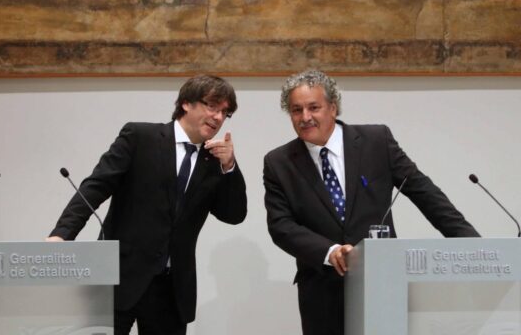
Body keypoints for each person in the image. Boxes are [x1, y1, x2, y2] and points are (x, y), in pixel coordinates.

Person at [263, 69, 479, 335]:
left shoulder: (376, 141)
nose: (305, 117)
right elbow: (281, 226)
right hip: (322, 288)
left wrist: (471, 244)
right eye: (296, 110)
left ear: (333, 107)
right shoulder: (279, 162)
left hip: (383, 281)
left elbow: (425, 193)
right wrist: (329, 251)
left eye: (313, 107)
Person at [47, 74, 247, 335]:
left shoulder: (213, 161)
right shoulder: (140, 137)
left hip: (171, 289)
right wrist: (63, 234)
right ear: (186, 103)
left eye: (225, 112)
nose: (219, 117)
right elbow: (95, 187)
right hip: (118, 278)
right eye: (212, 106)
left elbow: (233, 214)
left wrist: (230, 166)